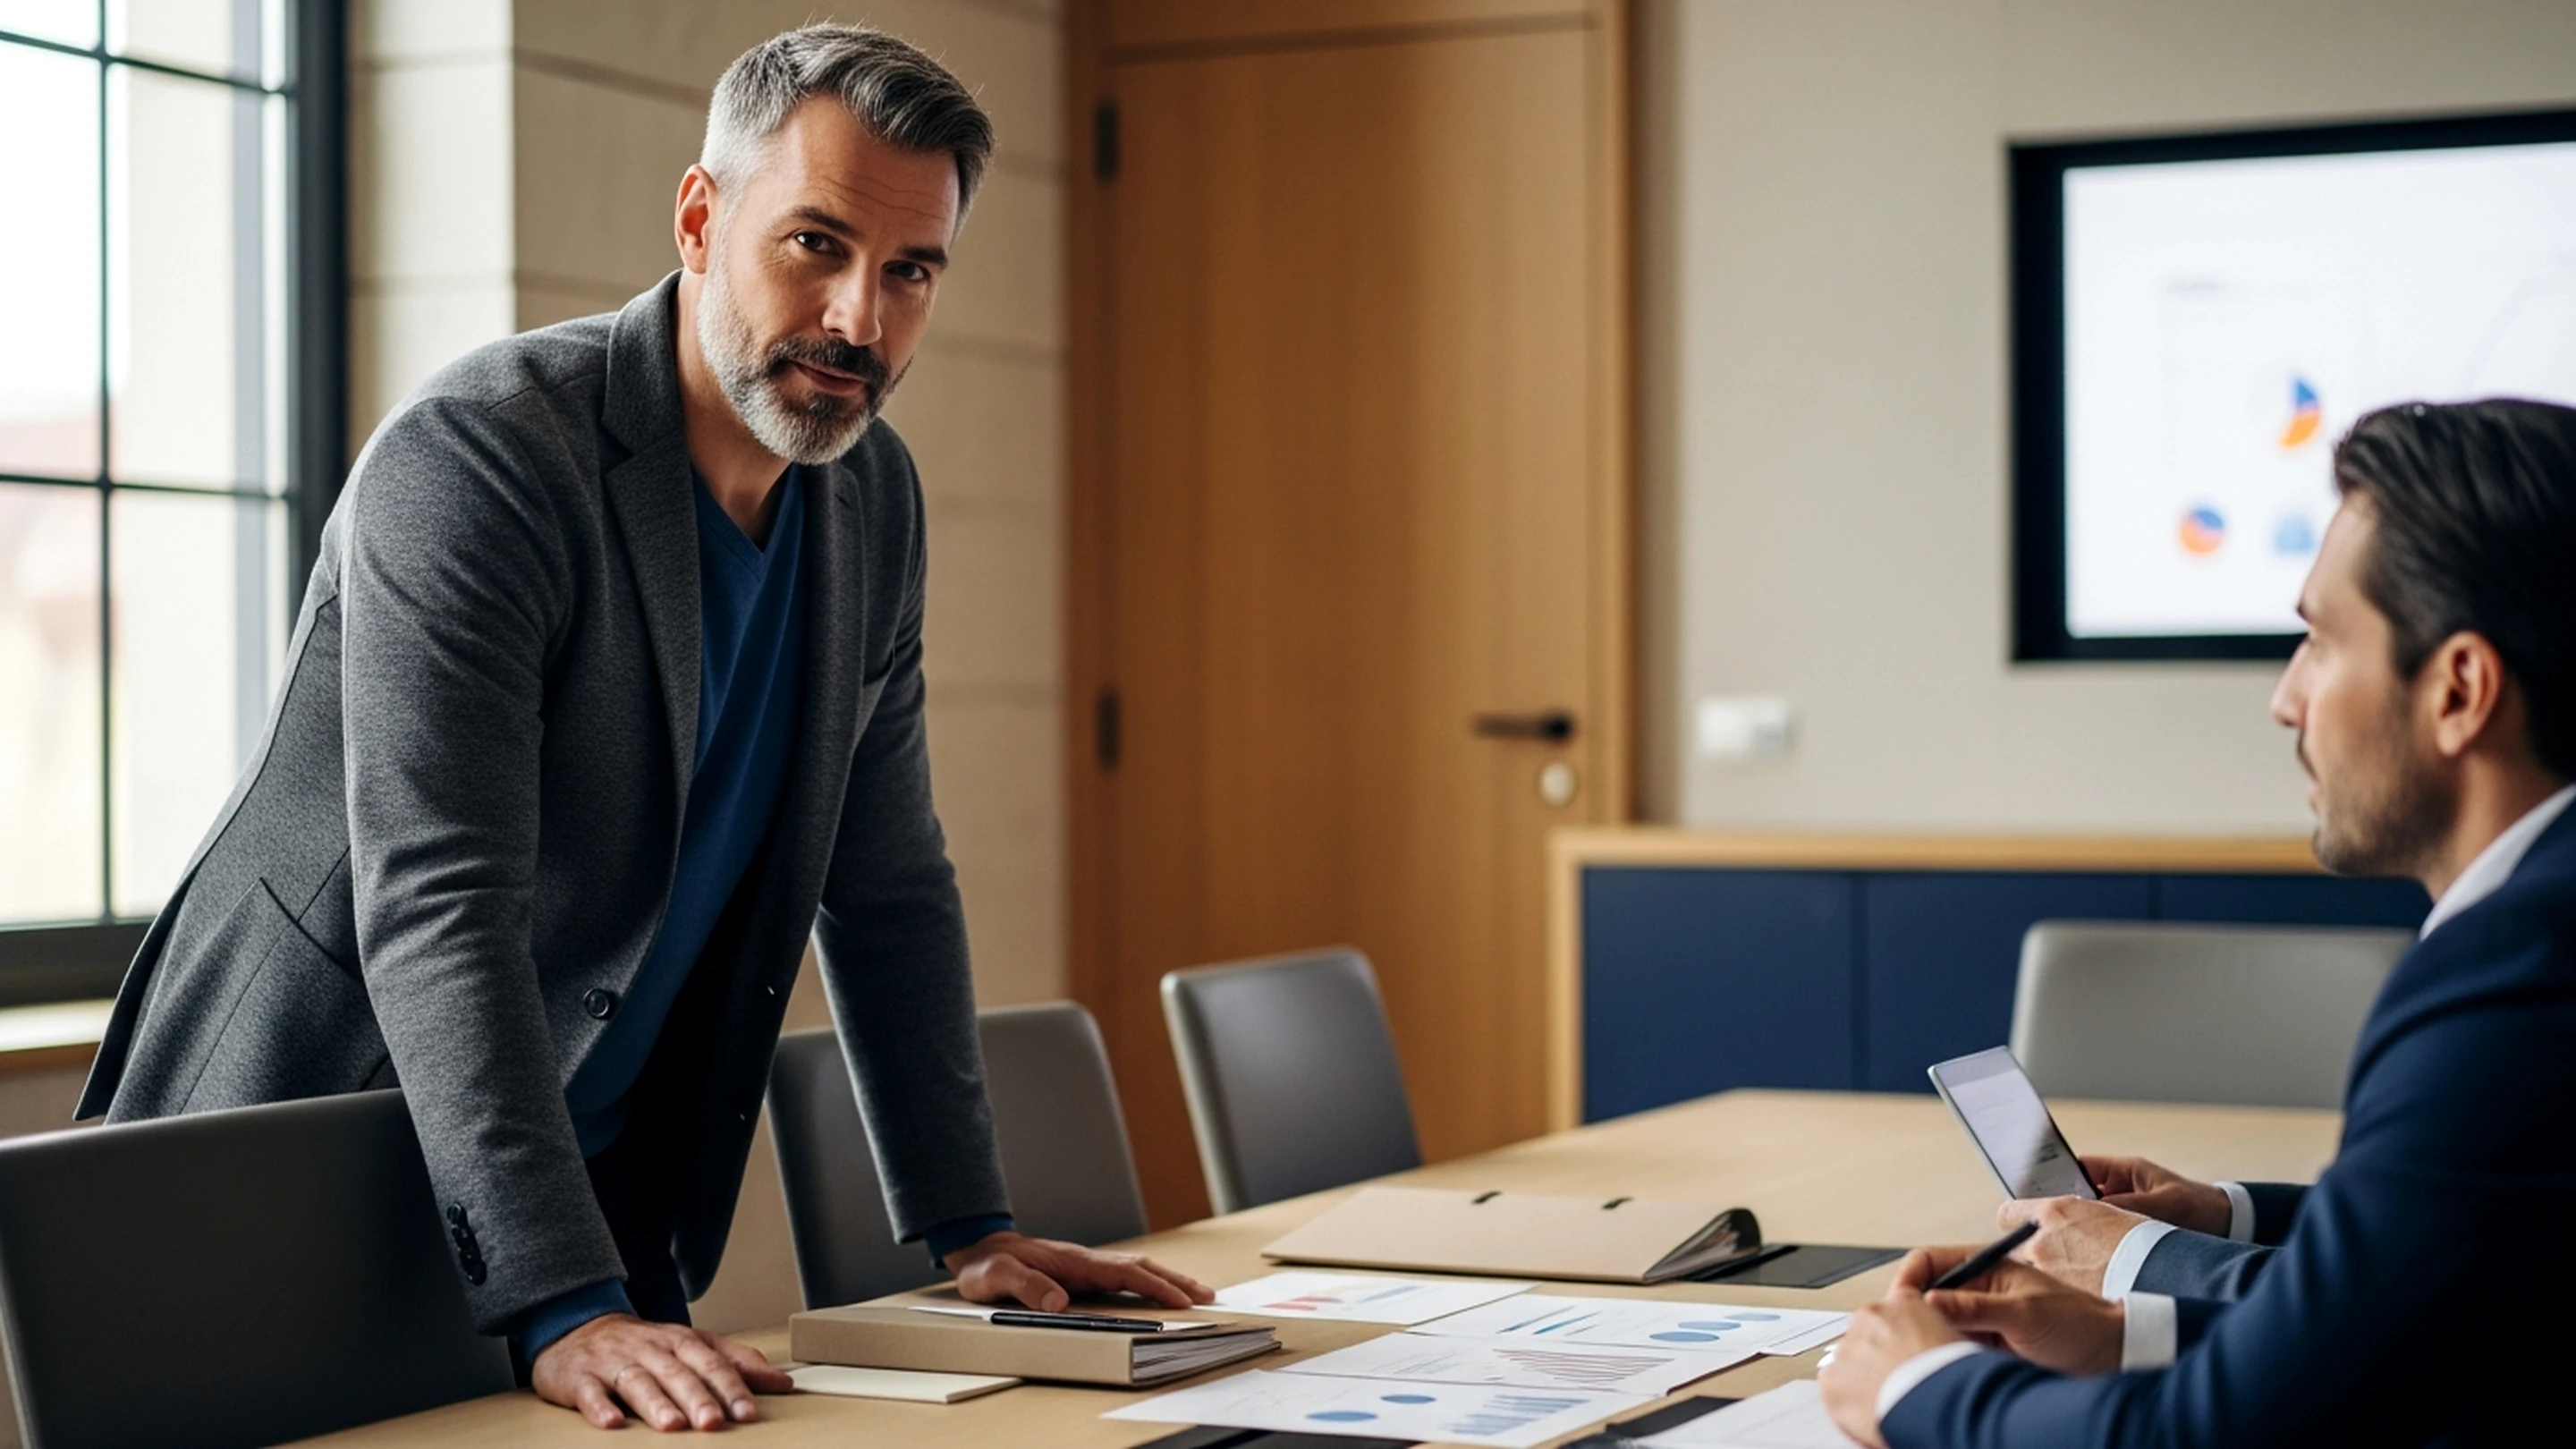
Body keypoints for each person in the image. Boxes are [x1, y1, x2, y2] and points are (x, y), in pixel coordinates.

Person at [75, 25, 1208, 1434]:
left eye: (911, 270)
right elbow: (442, 903)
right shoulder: (484, 459)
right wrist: (560, 1299)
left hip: (589, 1188)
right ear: (698, 218)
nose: (861, 318)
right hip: (309, 1156)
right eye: (814, 243)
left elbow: (890, 882)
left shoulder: (870, 504)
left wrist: (969, 1228)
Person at [1818, 397, 2576, 1447]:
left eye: (2318, 640)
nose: (2286, 698)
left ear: (2459, 690)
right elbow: (2446, 1295)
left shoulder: (2514, 971)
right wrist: (2138, 1317)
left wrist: (1918, 1390)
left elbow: (2217, 1437)